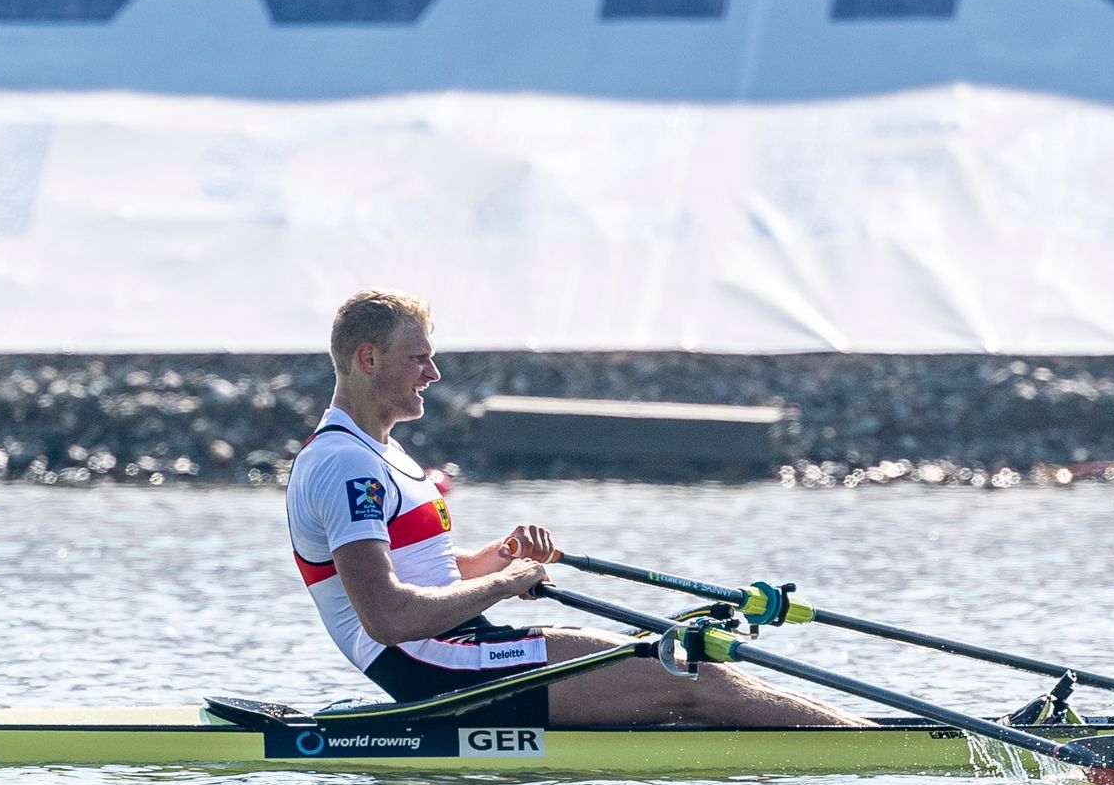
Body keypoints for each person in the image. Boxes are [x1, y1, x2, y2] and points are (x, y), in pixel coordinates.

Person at [284, 288, 867, 727]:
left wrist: (495, 560)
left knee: (679, 665)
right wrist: (505, 585)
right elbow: (387, 617)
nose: (433, 374)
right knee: (684, 670)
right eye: (418, 359)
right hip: (432, 666)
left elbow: (426, 575)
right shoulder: (344, 464)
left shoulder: (378, 452)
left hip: (455, 646)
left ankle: (863, 737)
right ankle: (884, 751)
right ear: (367, 359)